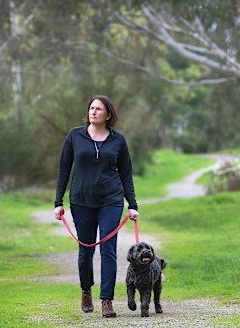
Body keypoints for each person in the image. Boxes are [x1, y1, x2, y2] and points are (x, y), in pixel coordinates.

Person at [54, 95, 139, 318]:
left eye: (98, 109)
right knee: (86, 251)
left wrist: (132, 204)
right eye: (91, 108)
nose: (93, 112)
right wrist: (57, 202)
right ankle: (85, 290)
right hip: (81, 201)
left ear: (108, 115)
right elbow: (64, 170)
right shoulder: (75, 136)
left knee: (108, 250)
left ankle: (107, 300)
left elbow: (126, 174)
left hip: (111, 200)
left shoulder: (118, 140)